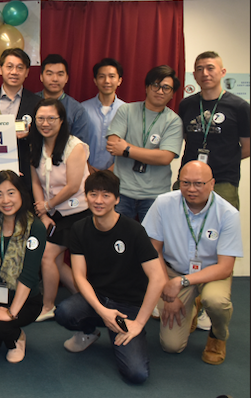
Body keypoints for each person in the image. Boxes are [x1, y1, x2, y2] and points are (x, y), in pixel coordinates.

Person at [55, 171, 166, 384]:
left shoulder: (133, 230)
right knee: (64, 312)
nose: (98, 200)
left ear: (117, 199)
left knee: (137, 374)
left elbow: (158, 278)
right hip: (98, 299)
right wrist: (102, 311)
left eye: (106, 195)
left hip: (128, 306)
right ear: (86, 197)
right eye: (93, 194)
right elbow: (79, 276)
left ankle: (120, 330)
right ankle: (89, 332)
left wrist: (139, 323)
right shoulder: (79, 228)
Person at [142, 161, 242, 364]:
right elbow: (153, 250)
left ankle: (217, 336)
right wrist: (168, 293)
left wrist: (181, 282)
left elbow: (225, 267)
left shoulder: (228, 213)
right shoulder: (163, 203)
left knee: (216, 301)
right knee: (171, 346)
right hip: (172, 271)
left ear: (212, 184)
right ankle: (192, 308)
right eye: (185, 183)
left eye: (198, 183)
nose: (191, 189)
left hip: (211, 273)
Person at [0, 170, 46, 363]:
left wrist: (11, 313)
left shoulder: (35, 228)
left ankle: (17, 337)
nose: (5, 200)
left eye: (11, 193)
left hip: (25, 300)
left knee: (0, 326)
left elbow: (29, 275)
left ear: (21, 194)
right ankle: (1, 327)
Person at [29, 99, 90, 321]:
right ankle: (86, 298)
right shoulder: (35, 145)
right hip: (53, 212)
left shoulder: (75, 146)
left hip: (77, 212)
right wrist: (43, 213)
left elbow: (73, 186)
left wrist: (48, 205)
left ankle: (48, 306)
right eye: (40, 119)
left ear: (61, 120)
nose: (45, 123)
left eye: (51, 119)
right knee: (54, 260)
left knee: (47, 255)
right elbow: (35, 181)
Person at [106, 65, 182, 222]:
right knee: (119, 236)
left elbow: (165, 158)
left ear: (172, 94)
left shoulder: (173, 121)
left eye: (166, 88)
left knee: (151, 237)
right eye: (155, 85)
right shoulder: (126, 110)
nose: (160, 91)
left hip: (155, 195)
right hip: (122, 191)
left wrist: (127, 149)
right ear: (147, 87)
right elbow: (113, 145)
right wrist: (153, 154)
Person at [178, 51, 250, 210]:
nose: (205, 73)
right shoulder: (186, 105)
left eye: (210, 68)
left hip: (223, 180)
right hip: (188, 179)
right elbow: (187, 137)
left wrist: (224, 159)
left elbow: (247, 147)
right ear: (194, 75)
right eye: (199, 69)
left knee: (221, 223)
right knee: (180, 222)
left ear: (222, 72)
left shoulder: (240, 107)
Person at [0, 48, 42, 180]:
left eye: (20, 68)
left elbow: (45, 137)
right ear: (0, 69)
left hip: (25, 170)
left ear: (27, 72)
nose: (14, 72)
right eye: (9, 67)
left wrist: (30, 134)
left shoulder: (37, 103)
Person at [37, 54, 98, 165]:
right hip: (33, 163)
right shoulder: (30, 102)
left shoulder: (77, 110)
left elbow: (80, 146)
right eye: (49, 74)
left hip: (64, 166)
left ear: (66, 78)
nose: (55, 79)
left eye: (60, 74)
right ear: (41, 77)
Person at [82, 58, 126, 172]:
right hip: (86, 171)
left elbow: (130, 144)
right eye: (102, 76)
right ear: (95, 81)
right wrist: (87, 167)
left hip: (117, 173)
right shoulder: (82, 109)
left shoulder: (127, 111)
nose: (107, 81)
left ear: (119, 80)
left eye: (112, 76)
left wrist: (111, 170)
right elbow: (76, 142)